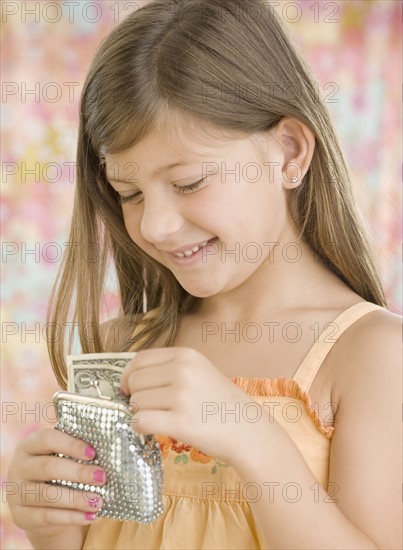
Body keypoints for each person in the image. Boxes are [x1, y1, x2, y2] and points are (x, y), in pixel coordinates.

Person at [7, 0, 401, 549]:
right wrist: (50, 525)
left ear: (288, 152)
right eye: (130, 193)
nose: (158, 224)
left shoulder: (372, 356)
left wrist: (257, 443)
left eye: (189, 182)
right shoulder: (126, 348)